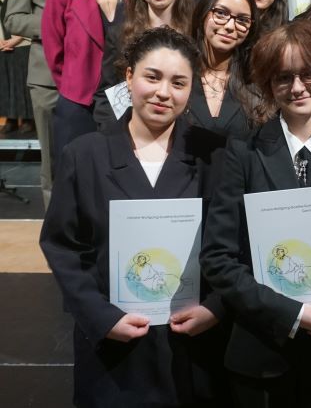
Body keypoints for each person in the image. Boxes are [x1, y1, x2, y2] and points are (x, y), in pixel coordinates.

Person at [39, 26, 229, 406]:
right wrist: (101, 317)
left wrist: (216, 308)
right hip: (113, 348)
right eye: (152, 77)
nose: (163, 92)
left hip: (191, 345)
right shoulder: (84, 154)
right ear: (129, 76)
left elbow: (234, 243)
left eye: (178, 82)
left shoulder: (215, 155)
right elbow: (62, 247)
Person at [200, 20, 311, 407]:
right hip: (263, 347)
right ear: (268, 84)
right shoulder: (243, 152)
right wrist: (292, 313)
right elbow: (218, 257)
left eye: (308, 74)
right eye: (283, 77)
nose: (297, 87)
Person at [3, 0, 86, 208]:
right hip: (47, 78)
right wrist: (57, 24)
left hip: (94, 77)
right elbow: (13, 19)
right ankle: (57, 227)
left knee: (94, 157)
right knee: (53, 161)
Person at [42, 0, 128, 165]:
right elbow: (54, 52)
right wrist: (74, 85)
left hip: (124, 101)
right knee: (74, 174)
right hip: (78, 101)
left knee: (118, 173)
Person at [188, 0, 260, 138]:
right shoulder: (178, 72)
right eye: (220, 13)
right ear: (202, 13)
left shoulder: (256, 80)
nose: (229, 26)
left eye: (242, 20)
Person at [0, 0, 34, 133]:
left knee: (23, 83)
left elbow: (31, 21)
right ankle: (11, 119)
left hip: (23, 45)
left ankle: (28, 120)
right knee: (6, 84)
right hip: (3, 47)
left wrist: (16, 39)